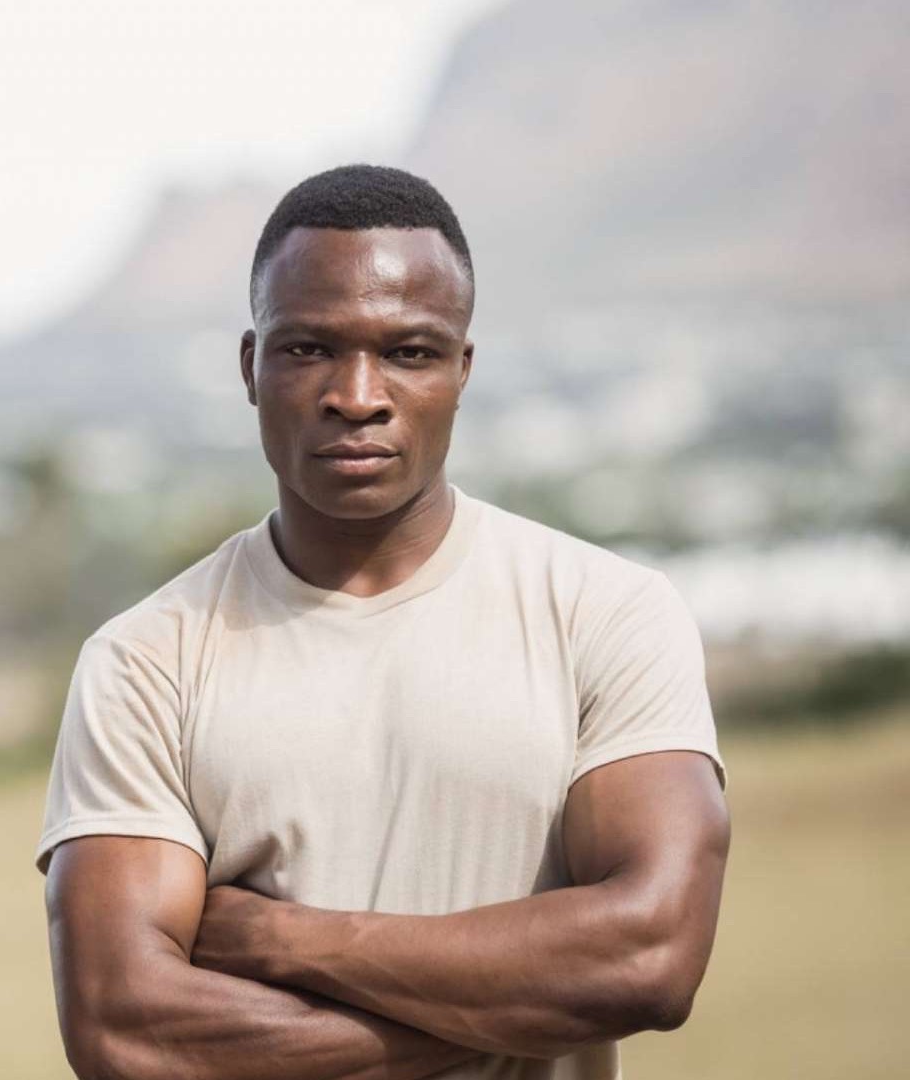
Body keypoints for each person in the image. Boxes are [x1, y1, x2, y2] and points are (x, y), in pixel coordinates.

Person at [38, 164, 728, 1080]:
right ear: (251, 366)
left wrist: (287, 939)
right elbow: (127, 1029)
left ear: (462, 369)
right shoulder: (144, 661)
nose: (356, 394)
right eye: (308, 349)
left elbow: (648, 958)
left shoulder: (605, 613)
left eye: (409, 351)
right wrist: (512, 1008)